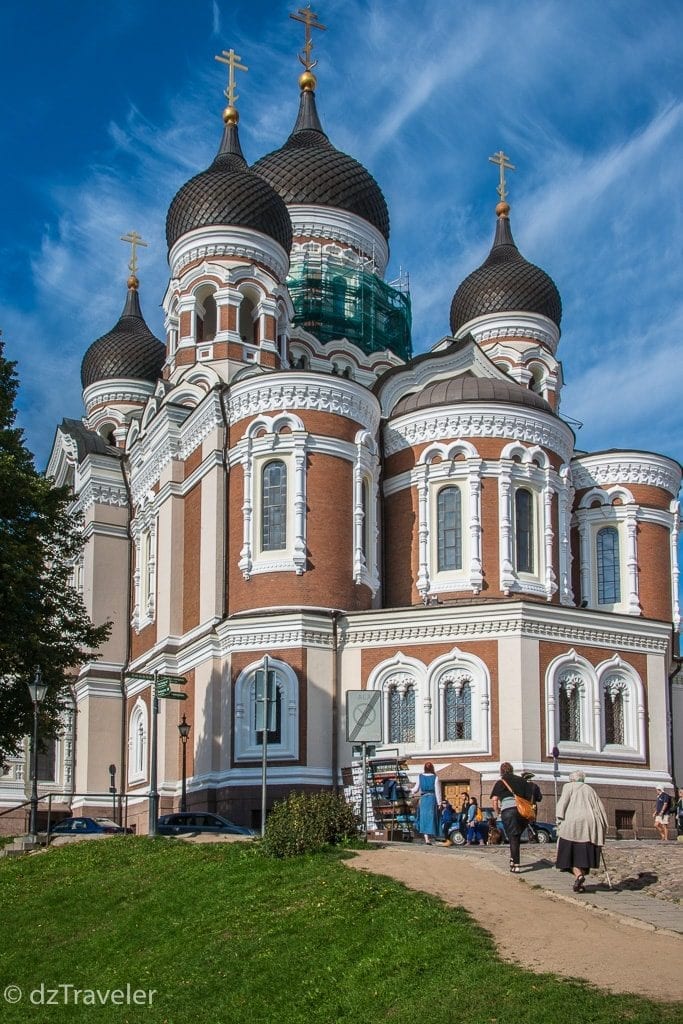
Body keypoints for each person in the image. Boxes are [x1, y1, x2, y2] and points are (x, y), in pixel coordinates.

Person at [555, 769, 608, 892]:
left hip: (572, 824)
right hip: (590, 825)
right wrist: (603, 826)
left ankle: (579, 876)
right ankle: (580, 882)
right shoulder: (590, 789)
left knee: (569, 854)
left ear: (572, 779)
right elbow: (600, 807)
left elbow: (562, 803)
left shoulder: (568, 786)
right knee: (584, 855)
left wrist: (558, 820)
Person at [490, 762, 535, 873]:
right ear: (512, 770)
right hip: (522, 811)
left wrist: (498, 812)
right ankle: (512, 859)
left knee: (512, 837)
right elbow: (530, 797)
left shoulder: (500, 782)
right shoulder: (522, 781)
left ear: (501, 771)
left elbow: (495, 800)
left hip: (508, 811)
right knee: (516, 836)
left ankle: (516, 864)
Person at [411, 761, 441, 844]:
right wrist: (439, 803)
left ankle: (426, 839)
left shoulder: (420, 776)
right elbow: (438, 791)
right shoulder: (435, 777)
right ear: (432, 768)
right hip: (432, 799)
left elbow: (415, 789)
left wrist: (410, 791)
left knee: (423, 817)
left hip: (424, 799)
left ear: (424, 768)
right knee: (432, 817)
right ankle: (433, 837)